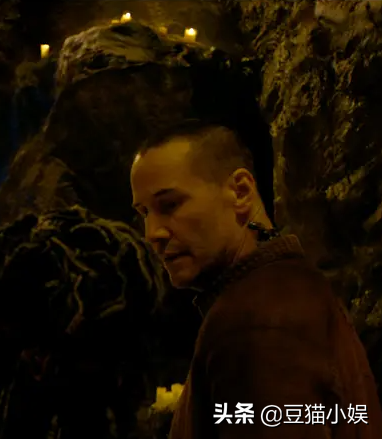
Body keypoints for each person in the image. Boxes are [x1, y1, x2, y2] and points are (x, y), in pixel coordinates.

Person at [129, 120, 381, 438]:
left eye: (170, 205)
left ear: (241, 192)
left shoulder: (254, 319)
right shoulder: (286, 291)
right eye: (144, 212)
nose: (153, 233)